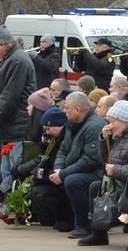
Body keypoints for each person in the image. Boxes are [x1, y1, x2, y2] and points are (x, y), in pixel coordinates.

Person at [0, 26, 36, 194]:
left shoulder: (17, 61)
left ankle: (12, 205)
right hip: (9, 125)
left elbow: (9, 97)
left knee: (14, 168)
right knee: (7, 168)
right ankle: (7, 204)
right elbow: (0, 95)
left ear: (4, 45)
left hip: (16, 125)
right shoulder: (10, 59)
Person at [45, 91, 105, 238]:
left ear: (77, 109)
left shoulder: (94, 126)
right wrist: (58, 169)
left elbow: (91, 160)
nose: (64, 111)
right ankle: (66, 220)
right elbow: (63, 150)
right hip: (78, 169)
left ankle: (85, 225)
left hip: (97, 172)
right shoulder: (72, 124)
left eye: (67, 108)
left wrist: (64, 173)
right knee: (52, 178)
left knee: (73, 181)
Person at [79, 100, 128, 247]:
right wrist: (103, 140)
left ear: (124, 121)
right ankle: (98, 233)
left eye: (113, 121)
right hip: (116, 180)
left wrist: (116, 170)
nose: (110, 125)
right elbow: (105, 160)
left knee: (99, 188)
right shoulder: (119, 136)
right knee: (95, 187)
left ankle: (102, 228)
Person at [22, 107, 73, 232]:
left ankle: (60, 217)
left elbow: (59, 162)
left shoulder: (66, 139)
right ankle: (45, 216)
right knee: (33, 189)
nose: (46, 132)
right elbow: (45, 159)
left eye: (49, 128)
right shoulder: (51, 139)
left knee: (40, 192)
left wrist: (42, 175)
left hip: (61, 176)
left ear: (60, 125)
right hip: (52, 175)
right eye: (44, 129)